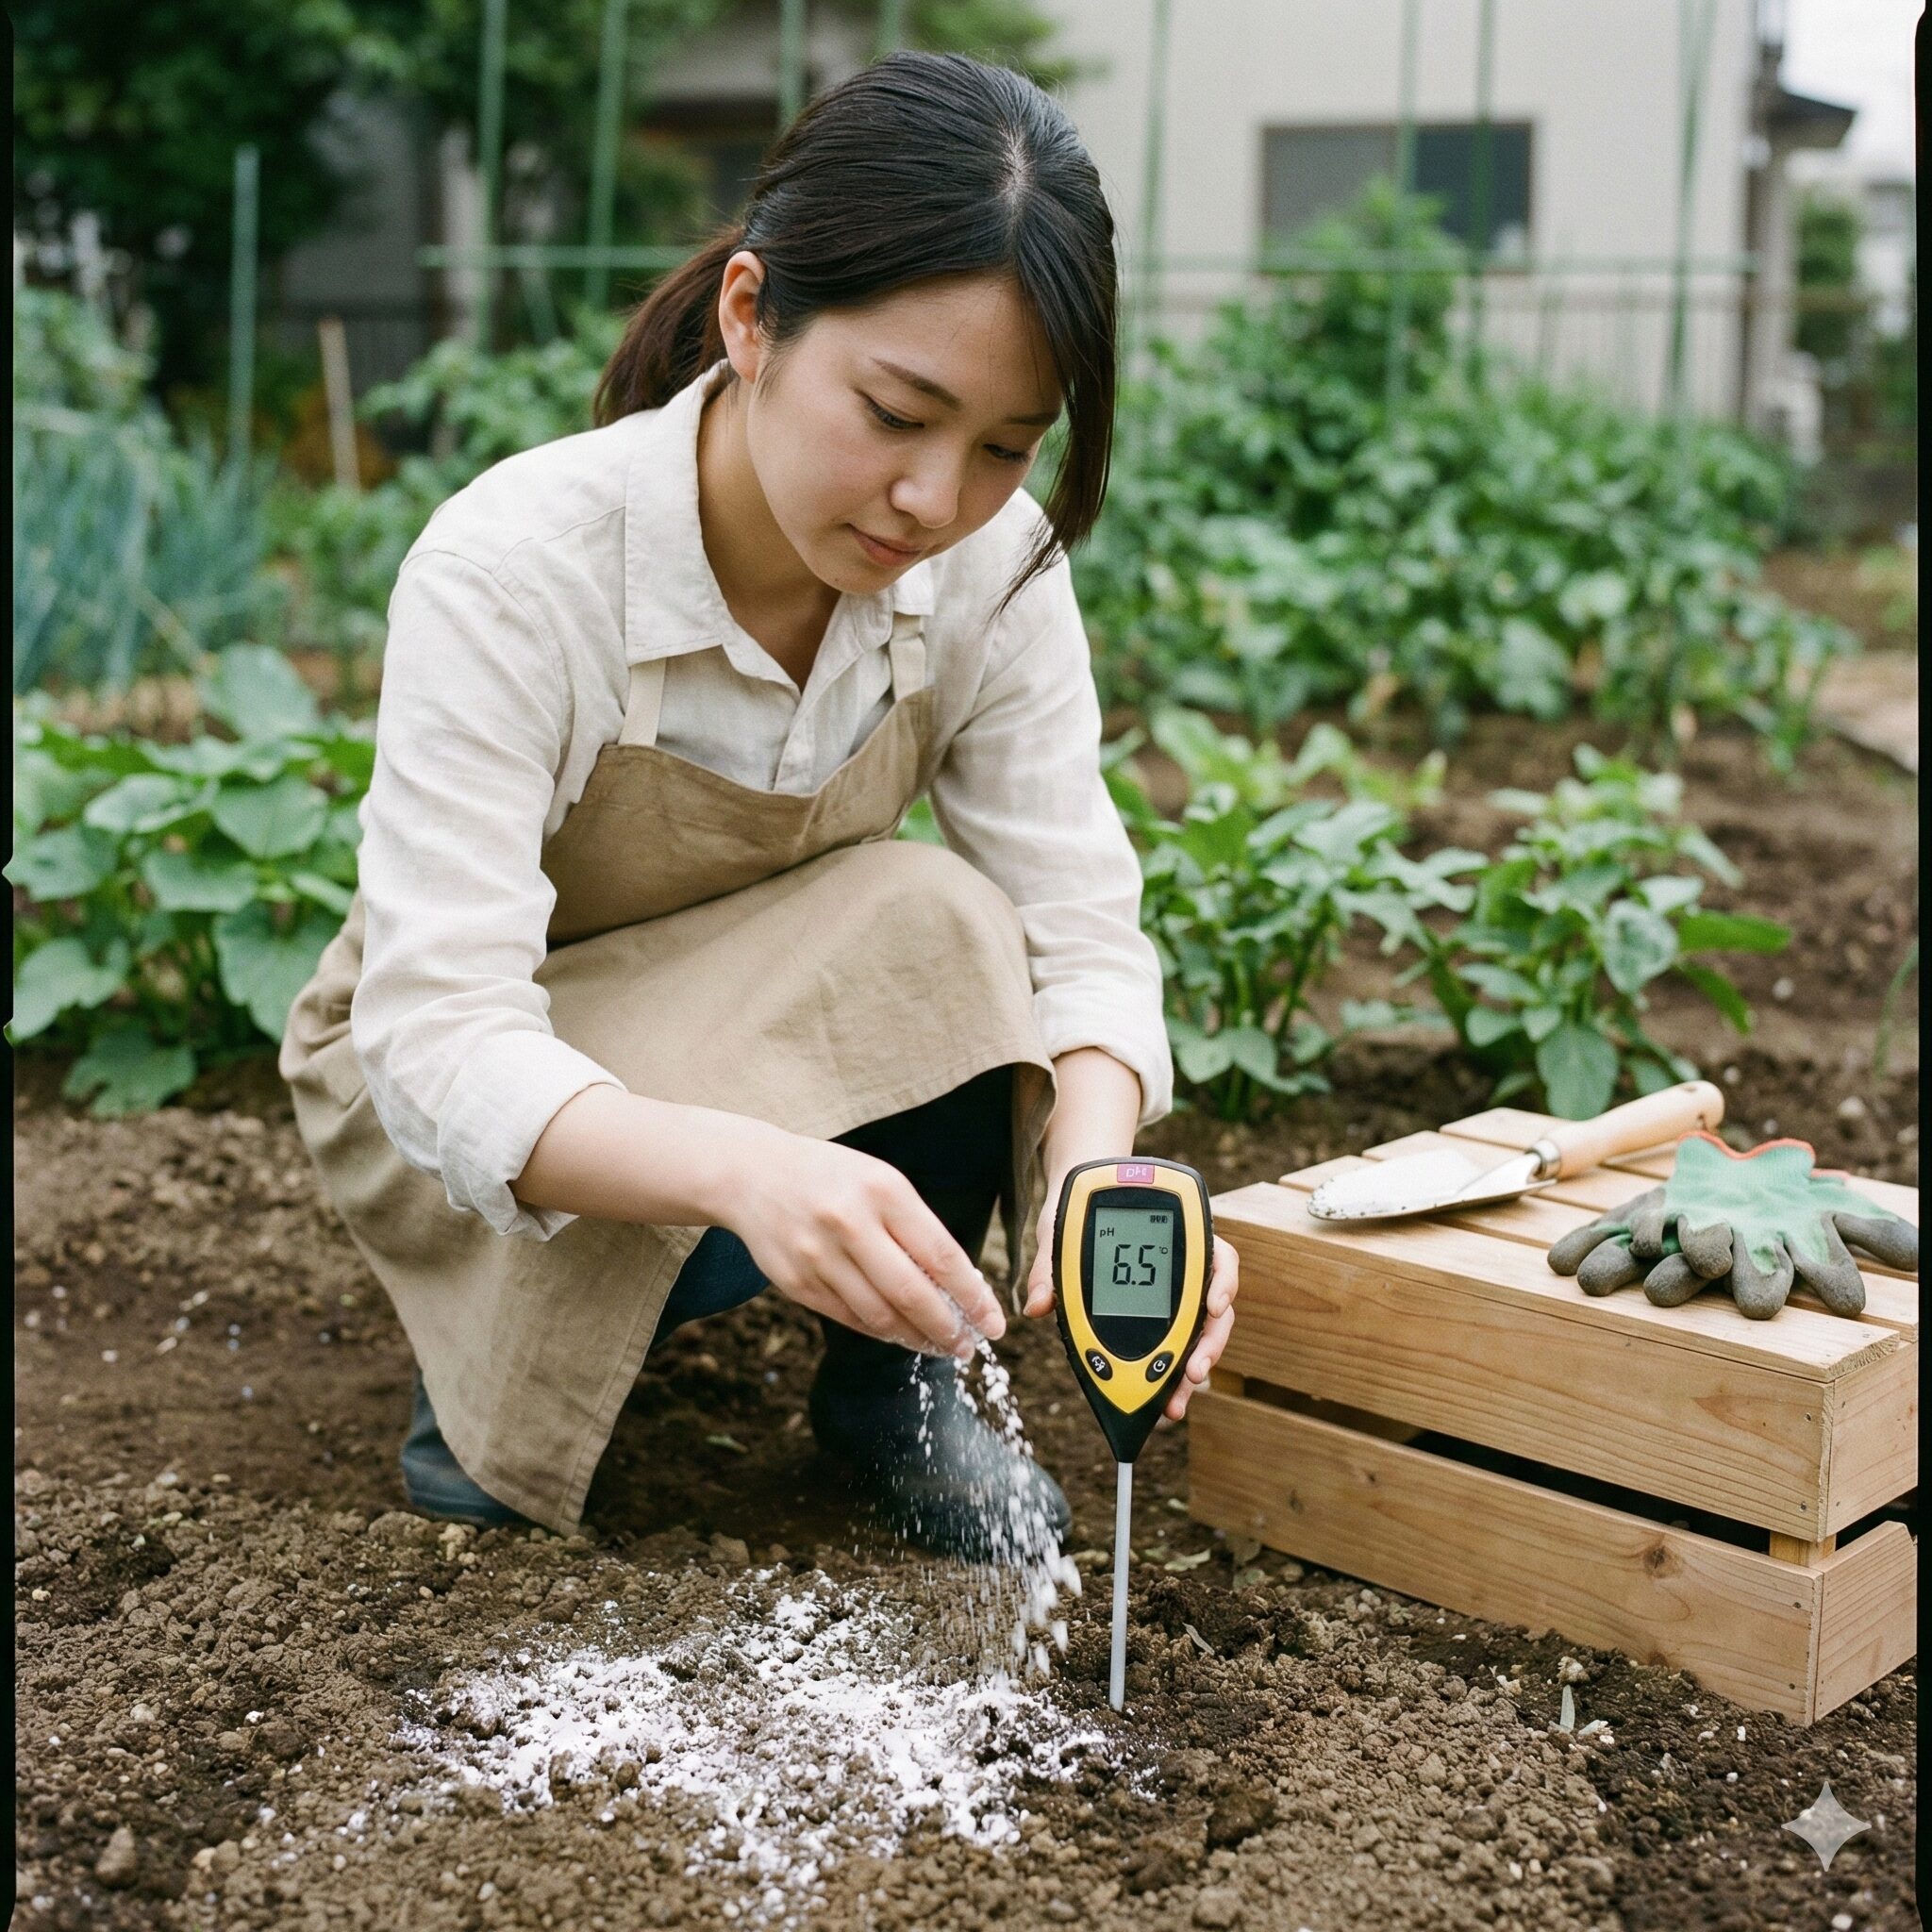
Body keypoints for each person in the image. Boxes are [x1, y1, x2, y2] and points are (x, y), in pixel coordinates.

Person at [280, 50, 1240, 1557]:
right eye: (896, 412)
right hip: (473, 1067)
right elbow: (440, 1038)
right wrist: (750, 1166)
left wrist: (1101, 1171)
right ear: (751, 319)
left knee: (947, 918)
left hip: (760, 1021)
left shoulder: (994, 575)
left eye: (1005, 446)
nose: (936, 498)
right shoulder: (522, 570)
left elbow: (1076, 922)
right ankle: (494, 1405)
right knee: (605, 1148)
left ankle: (896, 1391)